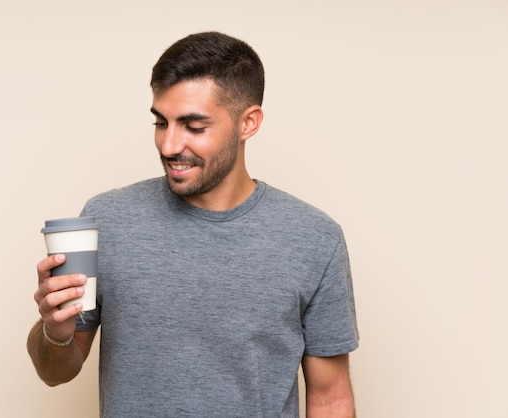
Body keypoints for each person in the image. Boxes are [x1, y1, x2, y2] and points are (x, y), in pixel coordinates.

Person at [27, 31, 359, 417]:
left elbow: (331, 396)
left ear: (248, 123)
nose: (168, 146)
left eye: (193, 127)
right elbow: (55, 372)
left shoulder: (314, 239)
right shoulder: (107, 219)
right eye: (160, 122)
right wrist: (55, 330)